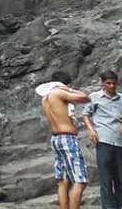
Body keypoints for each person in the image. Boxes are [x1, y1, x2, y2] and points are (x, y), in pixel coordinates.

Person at [83, 70, 122, 209]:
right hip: (103, 140)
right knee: (105, 178)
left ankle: (121, 205)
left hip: (120, 141)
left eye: (113, 83)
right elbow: (85, 114)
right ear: (102, 83)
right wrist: (91, 130)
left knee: (120, 178)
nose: (111, 86)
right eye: (108, 83)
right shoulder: (94, 97)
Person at [42, 70, 91, 209]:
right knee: (80, 181)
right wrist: (68, 88)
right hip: (67, 138)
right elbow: (84, 97)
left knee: (63, 181)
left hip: (56, 139)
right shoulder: (59, 92)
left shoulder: (45, 97)